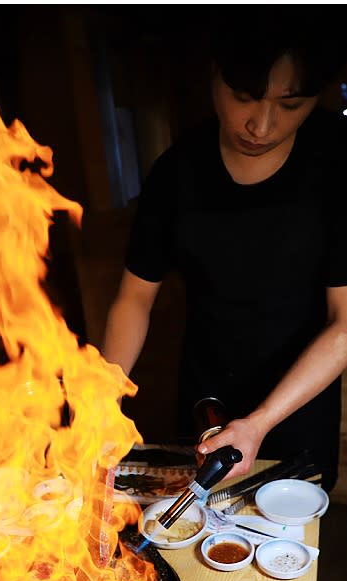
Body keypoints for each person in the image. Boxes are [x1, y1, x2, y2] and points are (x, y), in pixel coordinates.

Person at [102, 9, 347, 492]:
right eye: (245, 98)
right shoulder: (176, 173)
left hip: (295, 411)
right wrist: (101, 404)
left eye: (291, 105)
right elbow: (134, 299)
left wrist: (259, 422)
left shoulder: (337, 163)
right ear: (213, 74)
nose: (262, 124)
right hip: (205, 410)